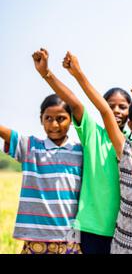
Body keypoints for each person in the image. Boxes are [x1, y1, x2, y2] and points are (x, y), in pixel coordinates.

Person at [32, 48, 131, 254]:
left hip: (126, 229)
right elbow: (74, 102)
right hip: (91, 228)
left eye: (122, 106)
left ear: (131, 111)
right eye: (110, 106)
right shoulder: (92, 133)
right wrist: (46, 73)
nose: (116, 111)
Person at [0, 52, 83, 254]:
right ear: (41, 119)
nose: (54, 124)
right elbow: (5, 132)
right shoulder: (31, 148)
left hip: (70, 238)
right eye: (48, 118)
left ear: (71, 120)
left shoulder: (81, 152)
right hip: (35, 239)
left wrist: (46, 73)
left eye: (61, 118)